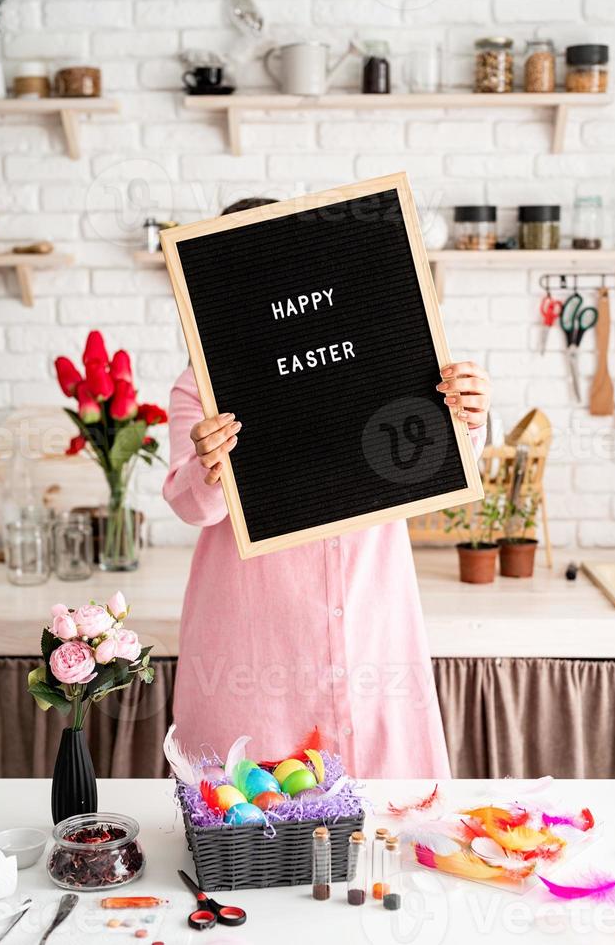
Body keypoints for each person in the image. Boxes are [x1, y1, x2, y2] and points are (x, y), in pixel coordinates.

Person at [163, 198, 492, 778]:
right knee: (251, 825)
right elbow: (190, 505)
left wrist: (467, 414)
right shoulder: (200, 387)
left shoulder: (387, 353)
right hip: (255, 643)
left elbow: (437, 458)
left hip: (373, 621)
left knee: (385, 826)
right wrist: (210, 465)